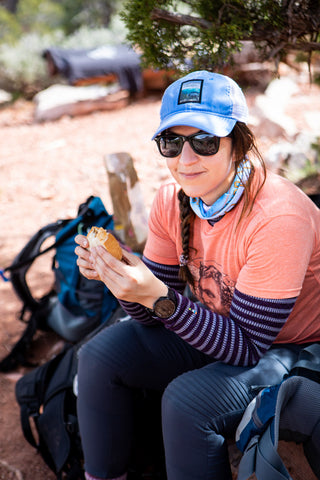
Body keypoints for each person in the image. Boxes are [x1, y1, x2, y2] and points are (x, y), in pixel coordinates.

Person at [74, 70, 320, 480]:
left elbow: (246, 347)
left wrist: (160, 298)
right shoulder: (172, 200)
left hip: (291, 347)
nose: (186, 159)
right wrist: (122, 281)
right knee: (98, 356)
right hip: (221, 329)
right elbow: (151, 317)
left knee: (186, 402)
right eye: (172, 142)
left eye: (205, 141)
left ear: (238, 142)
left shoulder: (278, 216)